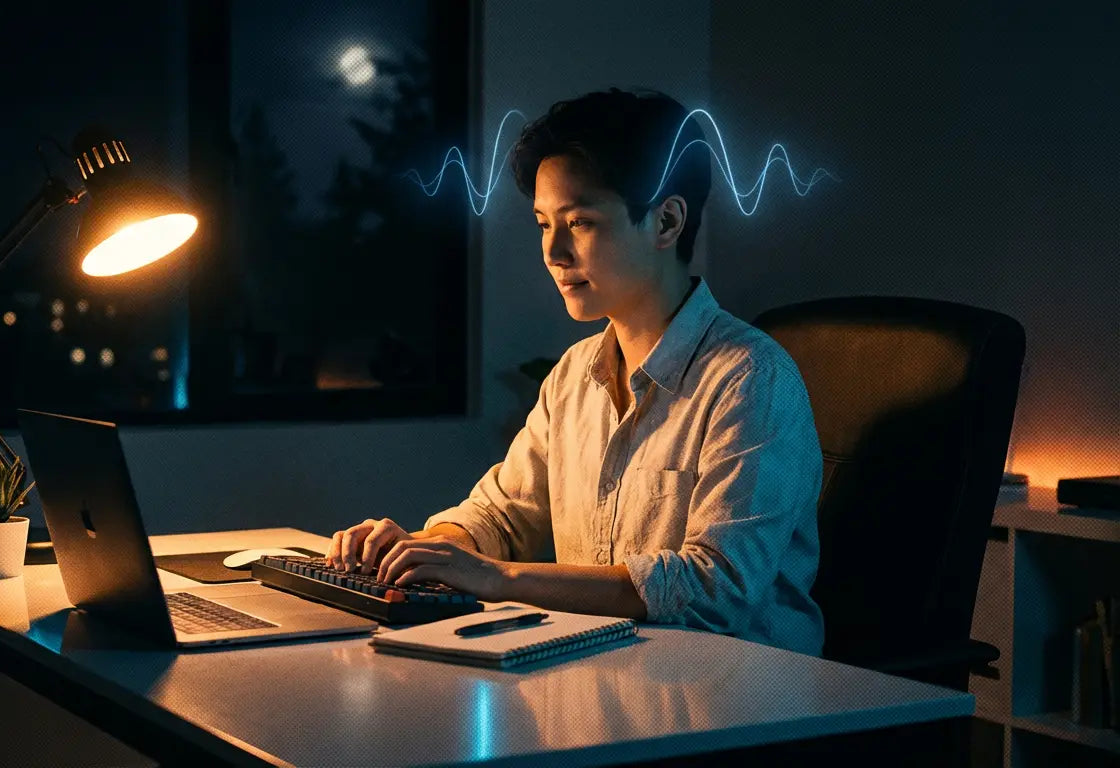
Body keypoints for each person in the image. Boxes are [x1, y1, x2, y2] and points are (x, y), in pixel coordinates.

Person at [326, 88, 825, 656]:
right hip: (606, 678)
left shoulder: (750, 379)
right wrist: (425, 550)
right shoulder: (573, 376)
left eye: (580, 222)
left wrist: (500, 578)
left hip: (741, 702)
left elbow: (717, 588)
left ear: (666, 221)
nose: (554, 252)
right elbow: (502, 514)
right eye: (543, 224)